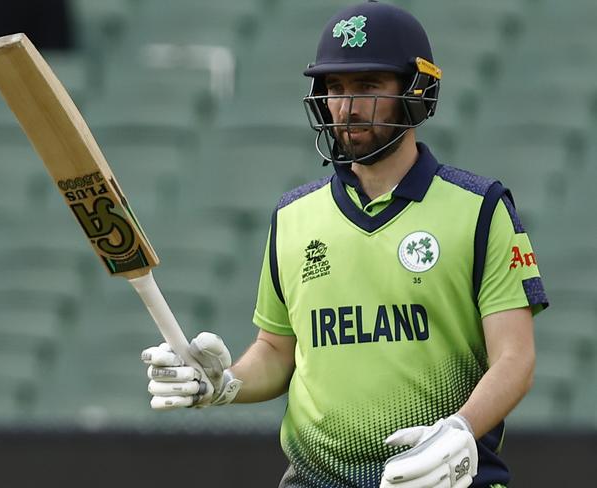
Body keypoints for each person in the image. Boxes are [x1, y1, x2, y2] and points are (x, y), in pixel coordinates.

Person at [140, 2, 548, 487]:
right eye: (335, 88)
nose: (347, 106)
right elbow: (276, 350)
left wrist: (458, 428)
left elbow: (515, 359)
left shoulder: (480, 208)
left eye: (368, 88)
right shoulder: (293, 216)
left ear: (417, 93)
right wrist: (225, 385)